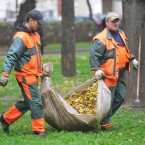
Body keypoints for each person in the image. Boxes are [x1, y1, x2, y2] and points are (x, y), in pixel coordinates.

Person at [0, 9, 49, 137]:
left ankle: (5, 119)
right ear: (31, 20)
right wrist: (5, 75)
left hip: (33, 74)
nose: (40, 26)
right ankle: (39, 129)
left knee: (29, 101)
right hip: (25, 75)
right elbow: (11, 56)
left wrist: (42, 70)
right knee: (36, 101)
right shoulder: (21, 37)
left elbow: (34, 56)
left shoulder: (35, 35)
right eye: (38, 23)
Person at [89, 12, 139, 130]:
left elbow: (124, 50)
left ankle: (103, 117)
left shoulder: (121, 33)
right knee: (108, 100)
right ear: (107, 22)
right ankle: (105, 124)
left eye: (117, 21)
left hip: (119, 74)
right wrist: (96, 70)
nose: (116, 23)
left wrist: (132, 59)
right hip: (108, 74)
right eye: (113, 21)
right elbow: (93, 56)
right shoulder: (101, 38)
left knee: (121, 96)